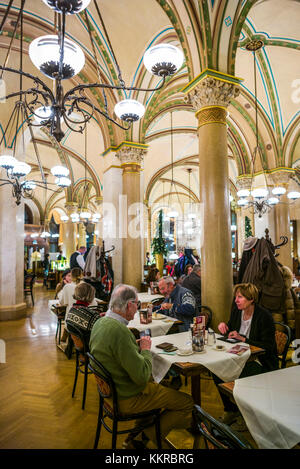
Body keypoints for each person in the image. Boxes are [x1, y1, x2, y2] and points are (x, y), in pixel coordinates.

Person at [89, 284, 194, 449]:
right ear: (129, 305)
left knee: (163, 385)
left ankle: (136, 437)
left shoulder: (100, 322)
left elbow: (115, 352)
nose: (137, 309)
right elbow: (142, 376)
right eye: (137, 305)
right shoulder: (120, 331)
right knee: (187, 403)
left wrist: (133, 346)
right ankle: (145, 436)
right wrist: (145, 349)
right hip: (126, 397)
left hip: (110, 393)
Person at [214, 282, 278, 430]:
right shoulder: (237, 311)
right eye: (236, 297)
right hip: (239, 355)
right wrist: (224, 327)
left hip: (261, 360)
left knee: (242, 375)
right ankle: (231, 410)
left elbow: (268, 346)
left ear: (251, 299)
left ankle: (246, 416)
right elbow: (232, 332)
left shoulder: (264, 316)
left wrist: (244, 339)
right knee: (216, 370)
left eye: (240, 297)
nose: (236, 300)